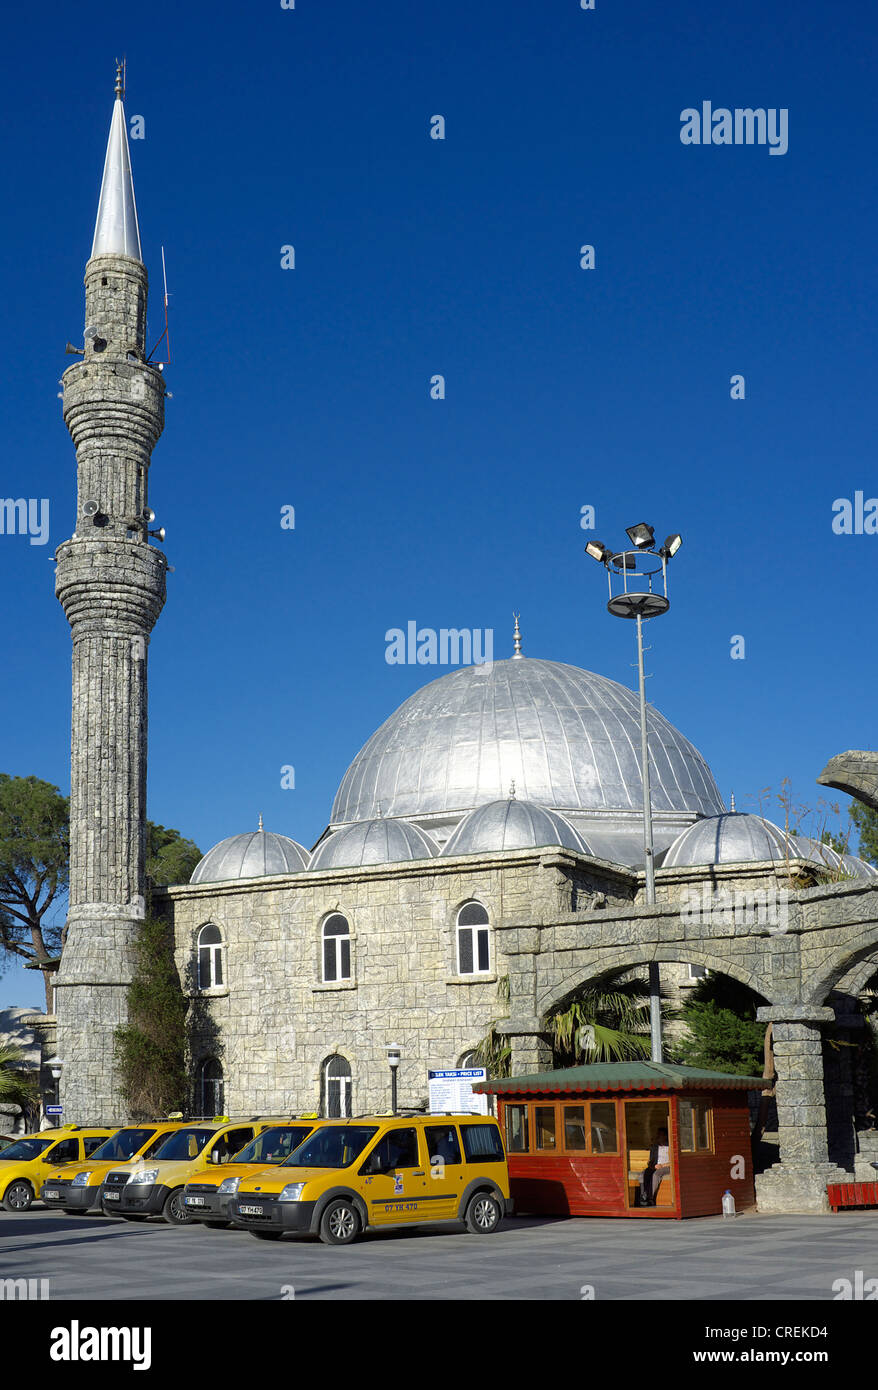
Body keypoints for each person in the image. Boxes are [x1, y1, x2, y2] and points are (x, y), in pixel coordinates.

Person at [640, 1126, 670, 1206]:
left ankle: (650, 1198)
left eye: (661, 1135)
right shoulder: (654, 1147)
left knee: (656, 1174)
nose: (658, 1137)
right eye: (658, 1135)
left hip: (667, 1166)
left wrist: (662, 1165)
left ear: (665, 1136)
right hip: (657, 1165)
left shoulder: (670, 1146)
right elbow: (651, 1160)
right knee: (645, 1173)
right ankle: (644, 1195)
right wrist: (653, 1166)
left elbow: (673, 1161)